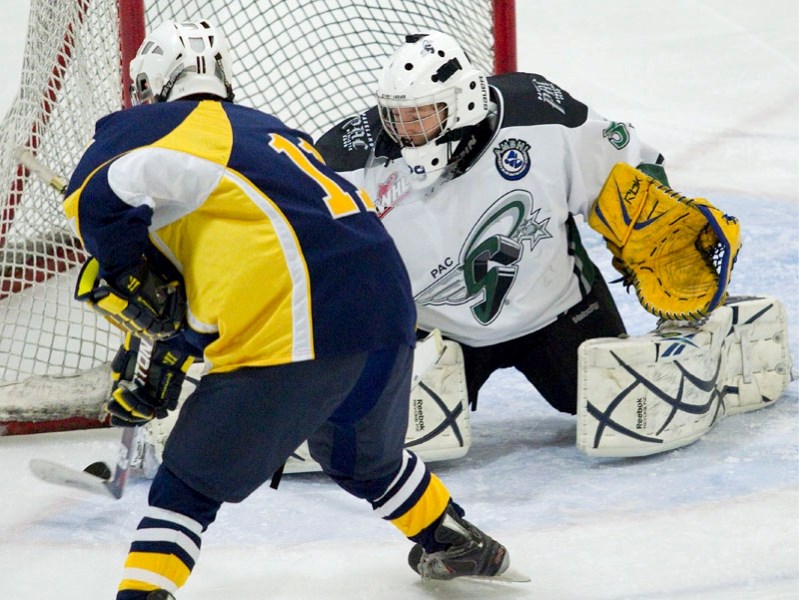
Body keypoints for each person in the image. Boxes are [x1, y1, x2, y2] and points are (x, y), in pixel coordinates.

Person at [63, 21, 512, 600]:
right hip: (387, 309)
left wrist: (126, 271)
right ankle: (455, 540)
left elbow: (90, 199)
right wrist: (173, 344)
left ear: (151, 86)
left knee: (188, 480)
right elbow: (254, 260)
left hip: (300, 320)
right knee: (358, 455)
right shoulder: (271, 132)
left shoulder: (149, 127)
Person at [315, 30, 673, 416]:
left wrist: (663, 234)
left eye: (420, 114)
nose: (405, 129)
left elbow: (628, 168)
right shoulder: (347, 161)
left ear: (463, 100)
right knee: (394, 433)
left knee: (621, 407)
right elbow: (310, 255)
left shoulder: (539, 117)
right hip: (435, 334)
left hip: (557, 311)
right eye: (396, 115)